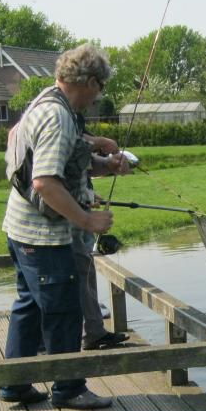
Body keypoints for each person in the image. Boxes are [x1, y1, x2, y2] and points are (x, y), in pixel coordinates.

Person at [0, 43, 119, 410]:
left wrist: (103, 164)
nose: (99, 95)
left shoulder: (45, 101)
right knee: (64, 310)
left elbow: (59, 160)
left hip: (20, 231)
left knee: (29, 306)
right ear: (90, 81)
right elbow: (45, 182)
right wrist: (87, 219)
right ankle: (69, 389)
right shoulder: (58, 117)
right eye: (100, 87)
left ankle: (15, 384)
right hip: (44, 237)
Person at [72, 143, 130, 351]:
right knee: (79, 276)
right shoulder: (60, 121)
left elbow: (79, 168)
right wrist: (98, 141)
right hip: (66, 226)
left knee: (86, 273)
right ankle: (90, 334)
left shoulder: (71, 122)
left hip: (77, 220)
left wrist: (88, 195)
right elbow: (52, 181)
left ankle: (94, 332)